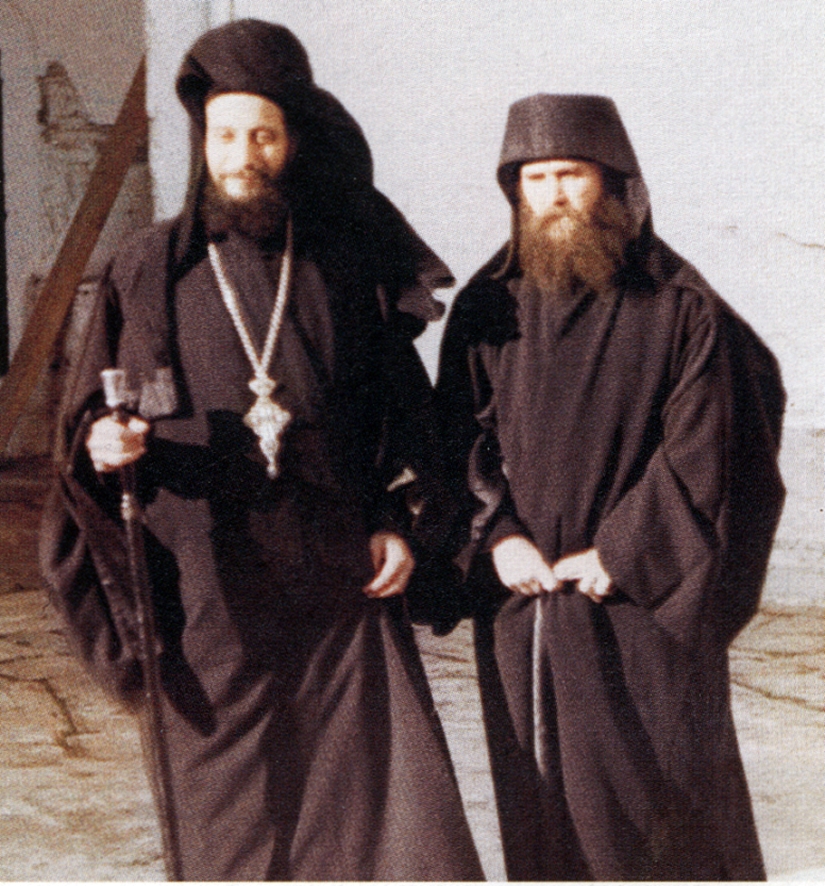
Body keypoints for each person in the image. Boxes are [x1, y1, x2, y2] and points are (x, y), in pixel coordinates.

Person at [39, 19, 484, 881]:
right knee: (227, 813)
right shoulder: (147, 269)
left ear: (294, 142)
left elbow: (399, 414)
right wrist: (103, 441)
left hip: (336, 571)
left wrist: (397, 522)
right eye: (225, 135)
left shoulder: (344, 265)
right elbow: (88, 415)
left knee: (369, 807)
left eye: (263, 135)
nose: (242, 155)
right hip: (206, 579)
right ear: (202, 143)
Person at [436, 93, 785, 881]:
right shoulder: (485, 308)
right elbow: (457, 439)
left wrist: (621, 552)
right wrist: (499, 537)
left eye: (571, 174)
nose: (553, 194)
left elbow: (712, 444)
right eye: (534, 178)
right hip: (525, 600)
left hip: (641, 602)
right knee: (541, 801)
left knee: (661, 804)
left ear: (612, 180)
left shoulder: (680, 307)